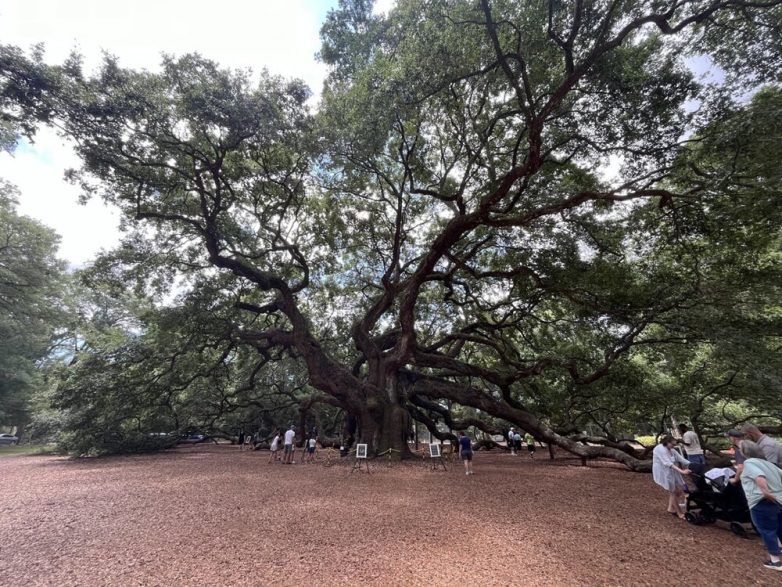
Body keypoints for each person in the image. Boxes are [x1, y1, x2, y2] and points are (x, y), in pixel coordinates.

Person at [738, 440, 782, 571]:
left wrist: (767, 493)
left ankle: (776, 561)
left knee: (766, 529)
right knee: (778, 528)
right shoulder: (769, 464)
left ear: (744, 452)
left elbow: (759, 477)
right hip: (778, 501)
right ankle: (778, 547)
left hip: (762, 501)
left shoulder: (749, 463)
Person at [652, 435, 691, 519]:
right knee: (673, 491)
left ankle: (670, 508)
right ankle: (679, 513)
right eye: (672, 445)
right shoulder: (660, 449)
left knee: (678, 491)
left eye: (674, 445)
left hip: (672, 470)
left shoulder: (672, 450)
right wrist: (682, 471)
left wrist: (692, 466)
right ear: (667, 442)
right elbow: (668, 463)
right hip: (663, 471)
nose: (673, 446)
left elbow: (681, 459)